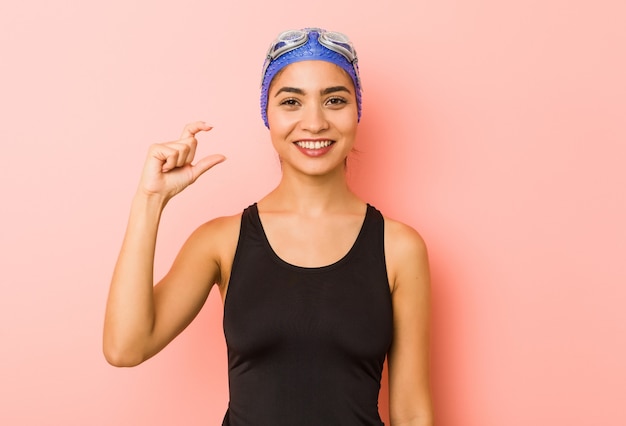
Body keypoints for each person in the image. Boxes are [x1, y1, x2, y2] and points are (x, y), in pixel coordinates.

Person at [103, 27, 433, 426]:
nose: (314, 122)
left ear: (356, 111)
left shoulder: (398, 247)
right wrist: (150, 200)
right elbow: (125, 348)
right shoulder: (221, 241)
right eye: (291, 101)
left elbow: (412, 413)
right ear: (267, 114)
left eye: (335, 100)